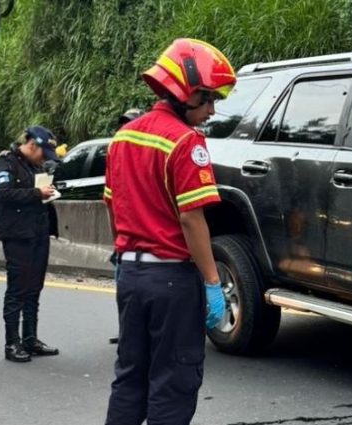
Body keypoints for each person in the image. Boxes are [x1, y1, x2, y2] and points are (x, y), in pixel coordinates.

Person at [104, 38, 234, 425]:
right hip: (172, 281)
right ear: (185, 91)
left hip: (131, 276)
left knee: (130, 378)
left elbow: (112, 204)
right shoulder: (185, 141)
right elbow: (192, 219)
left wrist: (125, 253)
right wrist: (212, 282)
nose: (212, 109)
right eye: (208, 98)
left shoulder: (123, 137)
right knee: (173, 382)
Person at [0, 125, 63, 362]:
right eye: (43, 153)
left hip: (39, 233)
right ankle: (12, 343)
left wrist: (48, 192)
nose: (44, 159)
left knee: (34, 288)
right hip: (17, 236)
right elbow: (3, 194)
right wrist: (36, 193)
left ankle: (30, 339)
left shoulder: (34, 166)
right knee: (17, 289)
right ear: (32, 145)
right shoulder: (6, 163)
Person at [108, 107, 143, 346]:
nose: (125, 128)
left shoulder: (148, 156)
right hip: (125, 240)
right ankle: (126, 333)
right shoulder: (116, 152)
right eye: (123, 123)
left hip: (146, 243)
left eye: (129, 123)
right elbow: (111, 203)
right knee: (123, 291)